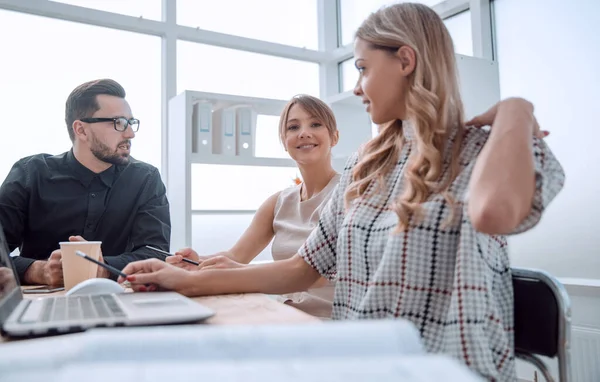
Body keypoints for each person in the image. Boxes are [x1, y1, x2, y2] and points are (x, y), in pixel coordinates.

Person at [119, 4, 565, 380]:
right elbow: (299, 269)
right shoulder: (365, 167)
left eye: (363, 69)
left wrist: (515, 109)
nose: (356, 87)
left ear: (405, 61)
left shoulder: (487, 148)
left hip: (447, 368)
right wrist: (189, 281)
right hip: (365, 363)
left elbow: (495, 213)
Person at [168, 94, 341, 319]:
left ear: (334, 137)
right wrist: (196, 262)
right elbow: (235, 256)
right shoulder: (278, 203)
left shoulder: (347, 193)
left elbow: (314, 273)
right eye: (293, 127)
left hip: (328, 323)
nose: (303, 133)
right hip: (283, 315)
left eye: (315, 124)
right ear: (284, 140)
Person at [0, 79, 171, 286]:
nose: (130, 133)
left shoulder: (146, 179)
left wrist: (105, 269)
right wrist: (36, 270)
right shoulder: (30, 173)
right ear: (81, 130)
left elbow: (156, 252)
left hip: (120, 302)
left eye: (131, 122)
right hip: (39, 303)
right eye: (118, 123)